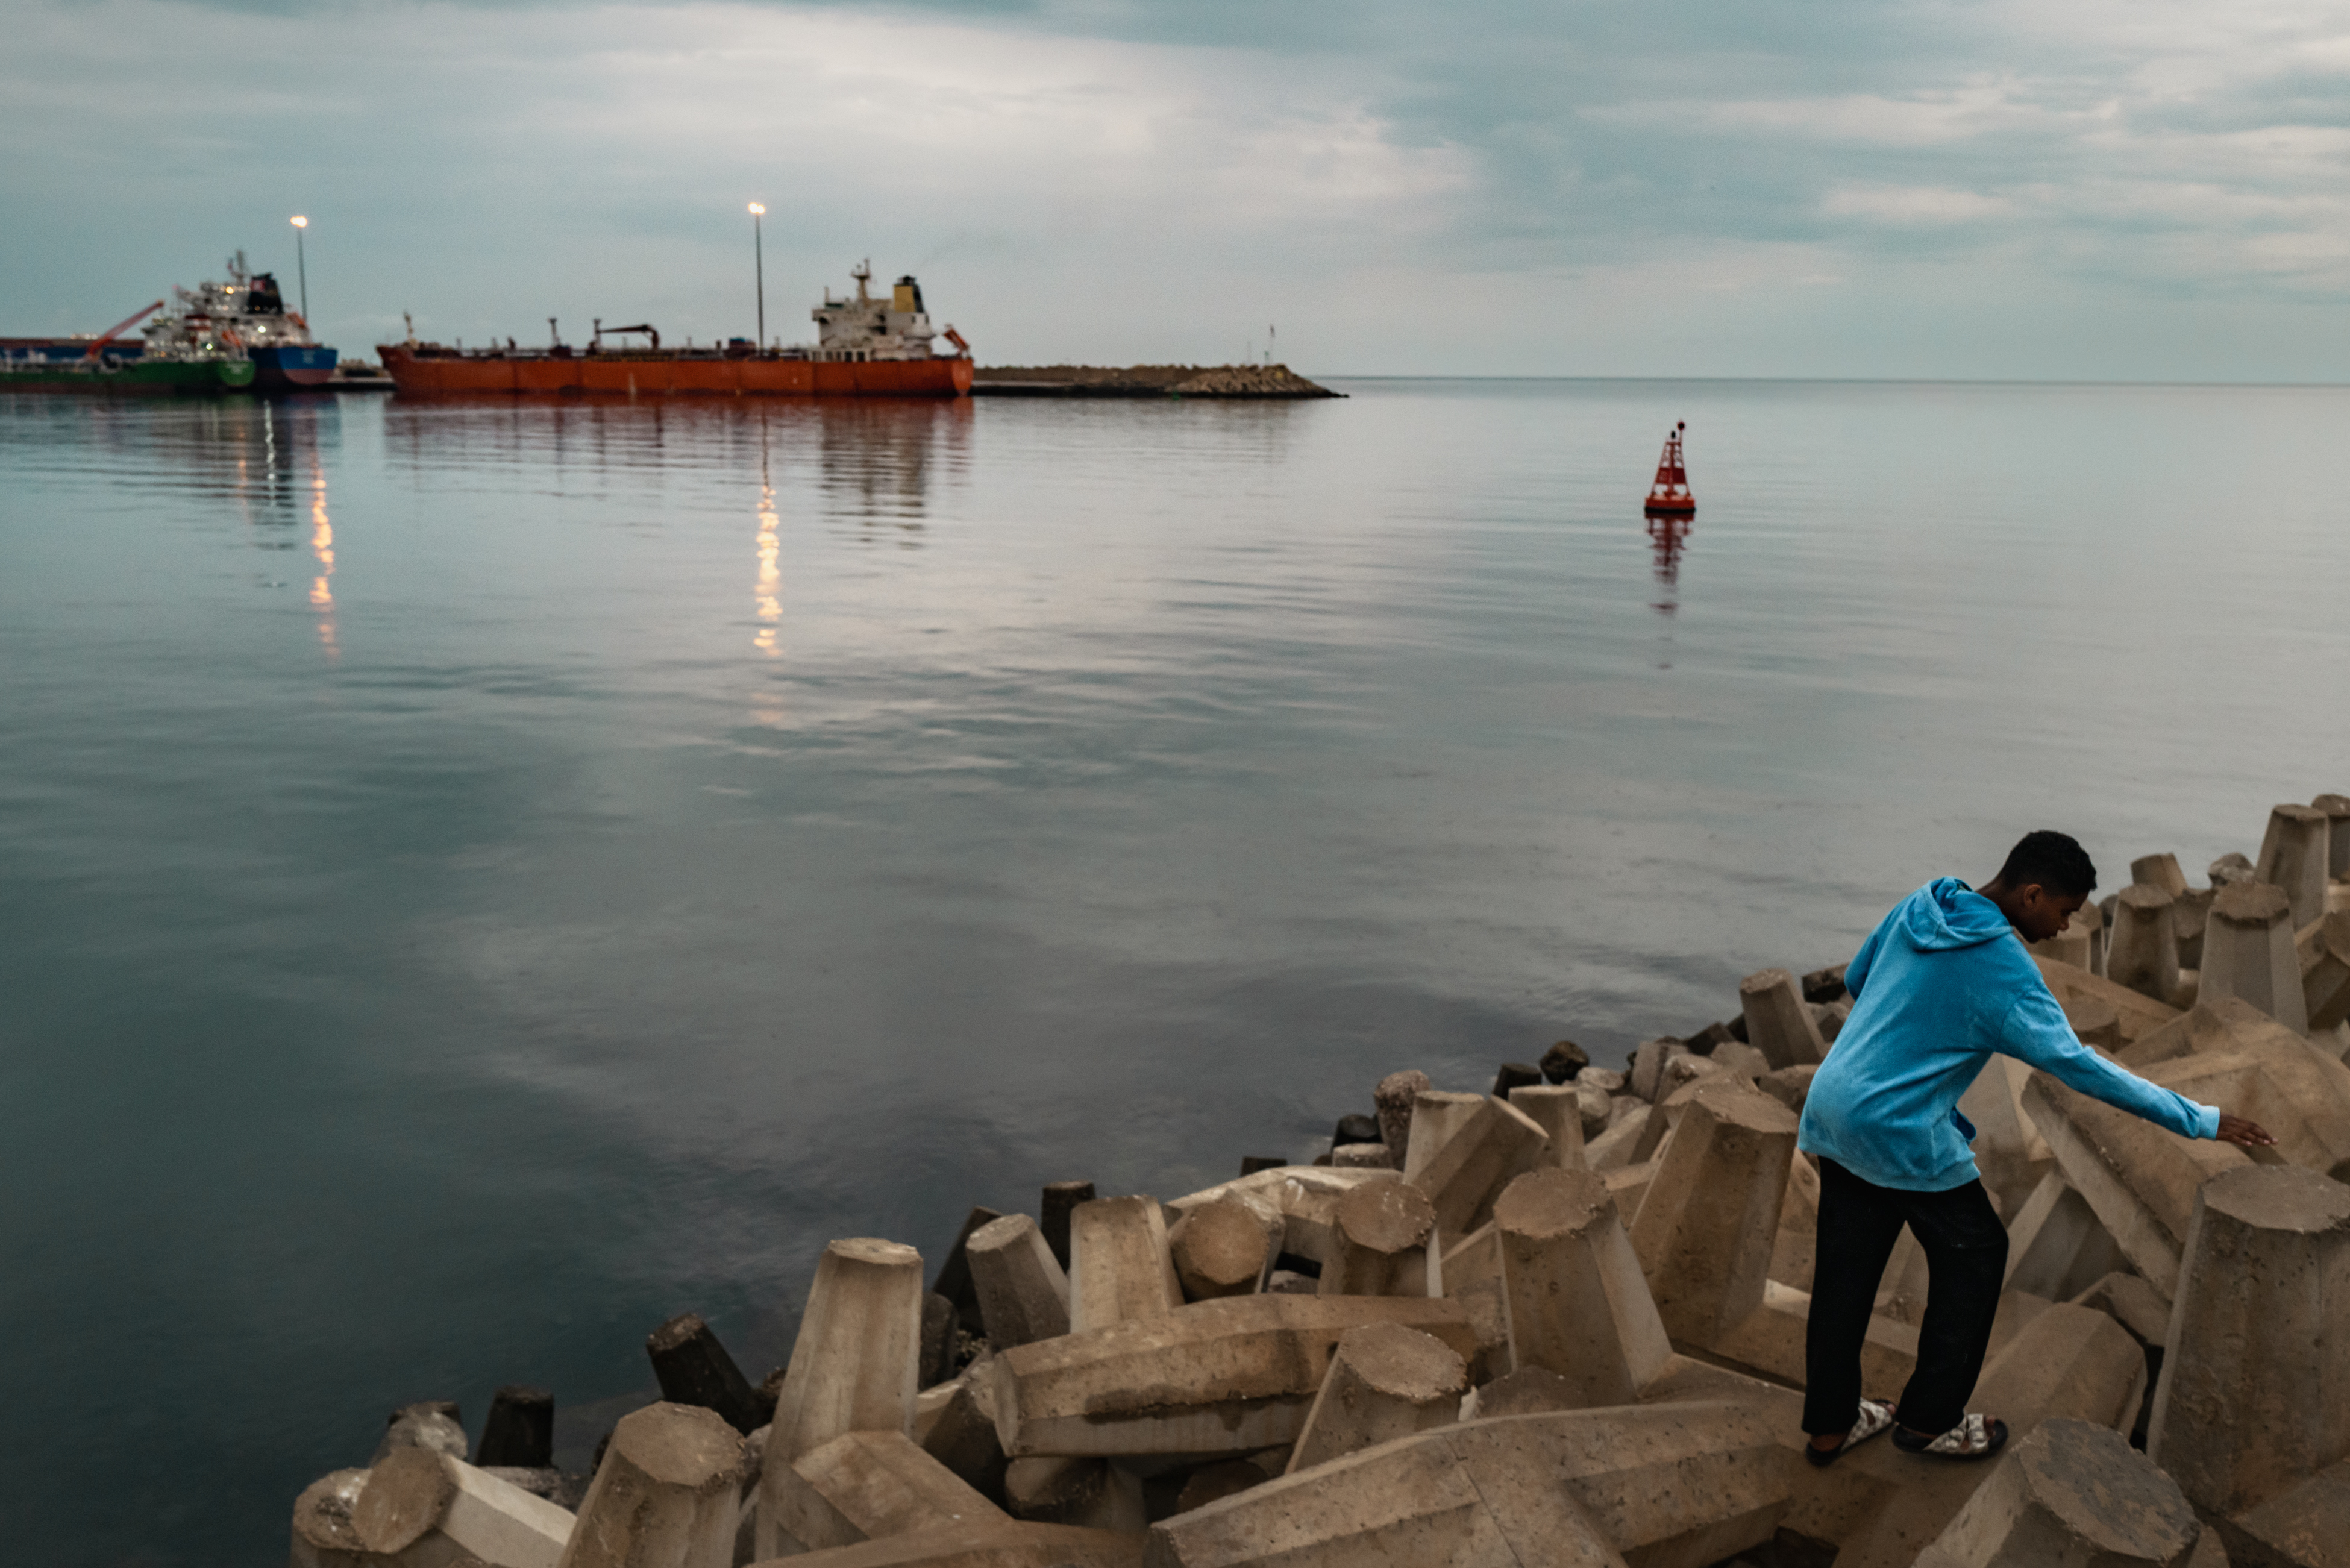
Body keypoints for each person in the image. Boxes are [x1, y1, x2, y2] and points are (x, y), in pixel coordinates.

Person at [1797, 830, 2274, 1464]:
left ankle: (1830, 1425)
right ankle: (1929, 1420)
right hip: (1899, 1131)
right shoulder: (2007, 972)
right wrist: (2199, 1118)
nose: (2062, 926)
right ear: (2031, 894)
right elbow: (2082, 1067)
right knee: (1978, 1254)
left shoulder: (1927, 902)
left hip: (1833, 1105)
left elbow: (1859, 977)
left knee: (1843, 1277)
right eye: (2064, 911)